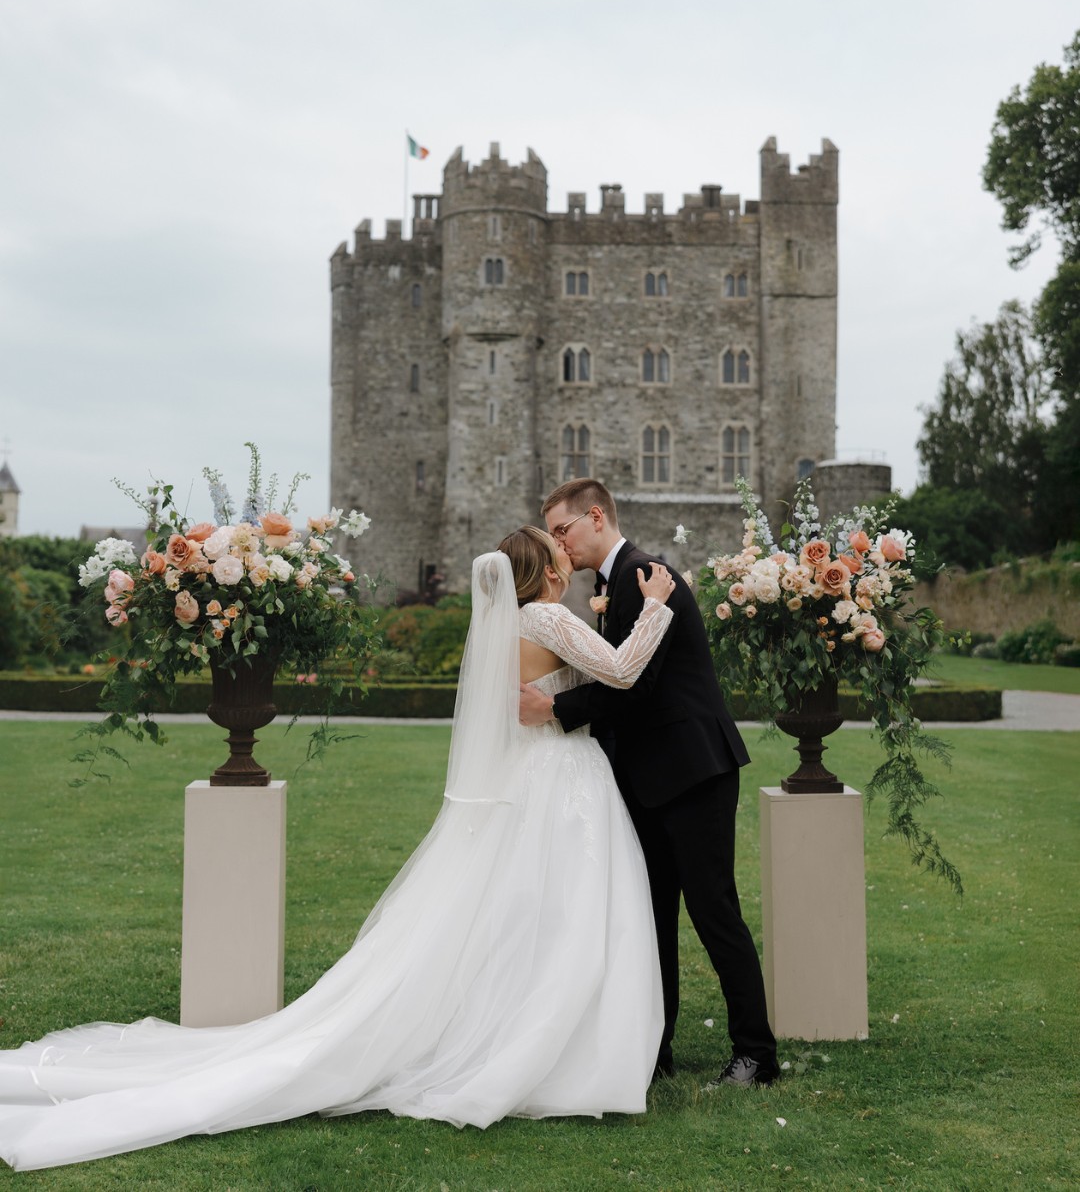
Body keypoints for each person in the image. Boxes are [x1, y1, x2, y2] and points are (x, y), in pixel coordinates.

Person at [0, 530, 676, 1172]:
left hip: (525, 781)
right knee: (564, 918)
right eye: (560, 557)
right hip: (561, 781)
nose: (567, 565)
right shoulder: (547, 620)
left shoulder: (503, 627)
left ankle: (525, 1040)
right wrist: (652, 609)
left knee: (520, 916)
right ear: (550, 571)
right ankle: (553, 1053)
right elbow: (619, 671)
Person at [519, 478, 779, 1088]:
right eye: (552, 535)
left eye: (563, 530)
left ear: (595, 516)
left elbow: (632, 690)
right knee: (653, 916)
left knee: (715, 912)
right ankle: (652, 1049)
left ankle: (756, 1055)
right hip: (646, 777)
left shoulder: (644, 576)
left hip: (691, 770)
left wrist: (554, 713)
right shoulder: (612, 586)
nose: (560, 544)